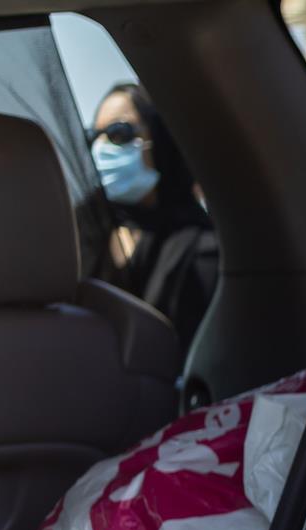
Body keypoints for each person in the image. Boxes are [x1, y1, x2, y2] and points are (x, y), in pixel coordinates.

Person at [90, 83, 219, 351]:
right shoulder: (80, 234)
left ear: (160, 139)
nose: (101, 149)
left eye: (118, 133)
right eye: (93, 137)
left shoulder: (202, 251)